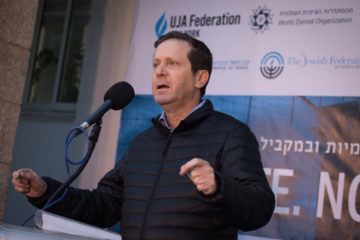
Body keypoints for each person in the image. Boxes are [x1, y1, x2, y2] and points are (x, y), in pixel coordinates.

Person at [12, 31, 275, 239]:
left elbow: (260, 209)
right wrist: (45, 191)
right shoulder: (142, 142)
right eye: (156, 64)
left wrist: (219, 186)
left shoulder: (231, 134)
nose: (160, 71)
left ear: (200, 78)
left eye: (172, 63)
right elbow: (104, 207)